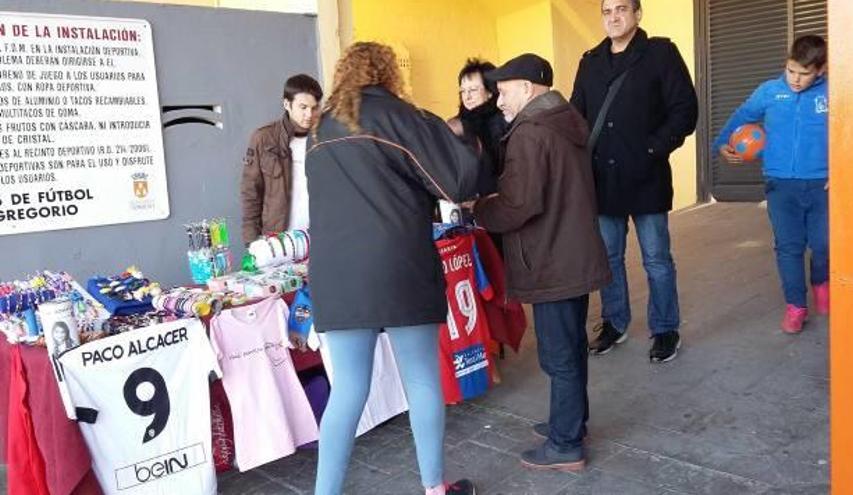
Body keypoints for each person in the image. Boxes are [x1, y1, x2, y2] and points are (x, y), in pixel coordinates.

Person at [305, 42, 479, 495]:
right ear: (387, 74)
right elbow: (456, 182)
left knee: (347, 391)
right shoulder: (401, 116)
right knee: (421, 378)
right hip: (398, 264)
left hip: (336, 274)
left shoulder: (319, 131)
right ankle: (434, 488)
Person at [471, 53, 610, 470]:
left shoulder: (531, 132)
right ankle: (571, 423)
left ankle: (566, 444)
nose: (499, 101)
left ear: (527, 89)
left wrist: (480, 208)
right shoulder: (564, 121)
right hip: (572, 252)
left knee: (559, 355)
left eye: (504, 91)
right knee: (571, 348)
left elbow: (520, 204)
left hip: (551, 257)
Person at [571, 0, 698, 362]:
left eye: (621, 9)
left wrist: (651, 151)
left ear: (637, 14)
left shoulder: (660, 53)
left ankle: (665, 329)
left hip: (647, 177)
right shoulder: (590, 61)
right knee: (608, 258)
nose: (613, 17)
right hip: (602, 181)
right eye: (607, 11)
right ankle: (615, 322)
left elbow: (685, 110)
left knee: (656, 259)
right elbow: (576, 116)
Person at [714, 35, 829, 333]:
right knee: (788, 247)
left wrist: (843, 172)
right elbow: (742, 115)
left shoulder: (833, 93)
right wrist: (723, 142)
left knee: (823, 243)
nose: (796, 79)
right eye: (791, 70)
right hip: (780, 184)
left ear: (821, 69)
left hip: (823, 185)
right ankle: (796, 306)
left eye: (804, 73)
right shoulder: (770, 91)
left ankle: (821, 281)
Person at [240, 74, 323, 244]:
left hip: (318, 237)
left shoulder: (325, 137)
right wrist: (252, 243)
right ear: (287, 104)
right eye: (303, 107)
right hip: (277, 240)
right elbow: (250, 192)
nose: (309, 114)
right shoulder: (264, 139)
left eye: (314, 108)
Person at [449, 58, 508, 196]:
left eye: (473, 90)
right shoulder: (458, 123)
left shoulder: (502, 121)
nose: (467, 97)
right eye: (463, 91)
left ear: (490, 91)